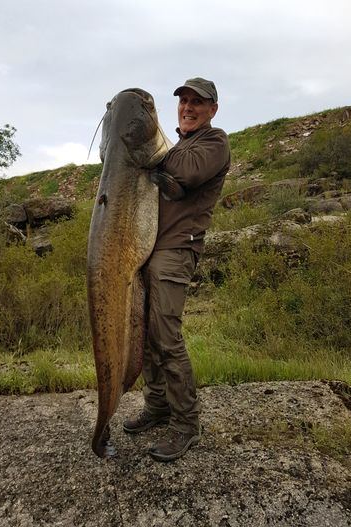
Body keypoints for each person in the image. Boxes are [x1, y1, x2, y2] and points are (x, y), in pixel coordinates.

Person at [123, 77, 231, 462]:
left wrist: (138, 139)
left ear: (212, 110)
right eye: (183, 101)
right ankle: (157, 407)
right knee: (146, 335)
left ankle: (186, 424)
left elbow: (183, 175)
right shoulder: (176, 146)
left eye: (197, 103)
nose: (188, 107)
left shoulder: (214, 143)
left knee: (166, 336)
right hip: (148, 249)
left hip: (176, 252)